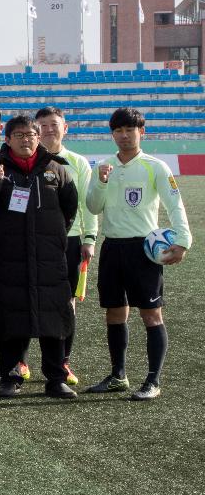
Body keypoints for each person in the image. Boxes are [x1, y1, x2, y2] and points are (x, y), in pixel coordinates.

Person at [84, 107, 191, 401]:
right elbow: (92, 207)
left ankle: (153, 380)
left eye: (129, 130)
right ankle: (118, 375)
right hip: (112, 247)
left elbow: (175, 206)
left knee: (151, 315)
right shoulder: (104, 166)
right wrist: (102, 181)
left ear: (141, 132)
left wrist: (183, 241)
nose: (123, 136)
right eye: (118, 130)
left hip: (144, 250)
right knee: (115, 313)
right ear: (112, 134)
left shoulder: (155, 167)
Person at [0, 115, 79, 398]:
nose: (26, 139)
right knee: (10, 319)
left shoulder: (57, 169)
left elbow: (69, 210)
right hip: (9, 259)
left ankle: (56, 378)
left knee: (53, 318)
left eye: (31, 134)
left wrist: (52, 239)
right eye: (18, 135)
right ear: (7, 139)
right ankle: (9, 376)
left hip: (49, 260)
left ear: (38, 136)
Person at [35, 106, 98, 386]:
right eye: (43, 125)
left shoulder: (78, 162)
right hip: (35, 240)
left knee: (67, 303)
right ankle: (22, 361)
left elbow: (88, 203)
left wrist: (89, 239)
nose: (49, 130)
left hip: (70, 240)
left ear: (65, 128)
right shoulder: (28, 160)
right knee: (29, 299)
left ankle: (63, 362)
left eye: (54, 124)